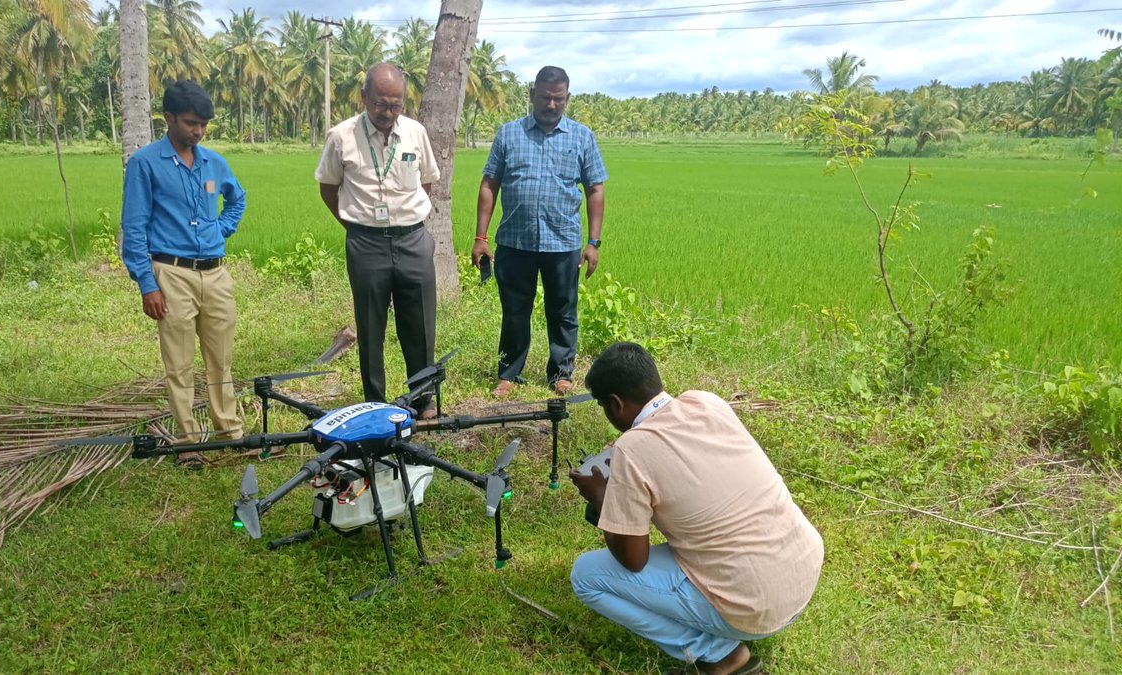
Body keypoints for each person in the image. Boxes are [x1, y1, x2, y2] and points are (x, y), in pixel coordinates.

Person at [568, 342, 824, 675]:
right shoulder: (706, 402)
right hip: (802, 573)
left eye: (604, 405)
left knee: (586, 576)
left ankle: (721, 656)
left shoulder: (632, 449)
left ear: (615, 404)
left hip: (756, 608)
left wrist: (602, 498)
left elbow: (633, 559)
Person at [121, 80, 247, 465]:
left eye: (204, 124)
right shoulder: (145, 164)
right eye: (191, 123)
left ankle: (229, 433)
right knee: (179, 364)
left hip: (216, 274)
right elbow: (134, 227)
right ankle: (188, 442)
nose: (198, 131)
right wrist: (147, 285)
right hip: (171, 274)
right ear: (169, 118)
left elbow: (237, 198)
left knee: (220, 359)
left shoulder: (213, 163)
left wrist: (220, 230)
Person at [473, 65, 608, 398]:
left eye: (558, 99)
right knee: (515, 311)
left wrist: (593, 242)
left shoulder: (582, 137)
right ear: (532, 95)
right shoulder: (509, 134)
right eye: (545, 97)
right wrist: (480, 237)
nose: (551, 105)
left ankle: (561, 374)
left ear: (567, 98)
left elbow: (595, 189)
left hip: (562, 241)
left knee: (563, 310)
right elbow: (490, 183)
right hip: (515, 241)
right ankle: (509, 374)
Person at [315, 63, 441, 416]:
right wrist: (356, 226)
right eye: (380, 104)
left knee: (420, 324)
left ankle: (423, 399)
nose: (388, 112)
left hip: (412, 239)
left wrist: (405, 217)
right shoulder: (341, 136)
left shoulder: (415, 132)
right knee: (370, 327)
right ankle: (375, 403)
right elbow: (328, 188)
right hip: (366, 243)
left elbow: (426, 182)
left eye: (396, 105)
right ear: (364, 97)